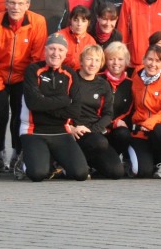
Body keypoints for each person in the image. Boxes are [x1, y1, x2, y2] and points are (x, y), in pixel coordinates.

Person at [0, 0, 48, 177]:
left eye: (20, 3)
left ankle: (18, 155)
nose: (15, 7)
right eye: (11, 2)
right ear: (6, 3)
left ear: (27, 4)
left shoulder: (38, 22)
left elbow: (37, 58)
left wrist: (28, 84)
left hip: (23, 78)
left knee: (20, 117)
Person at [19, 34, 89, 182]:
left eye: (60, 50)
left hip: (61, 131)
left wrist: (44, 104)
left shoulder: (70, 74)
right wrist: (64, 100)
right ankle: (26, 159)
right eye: (52, 48)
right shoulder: (33, 70)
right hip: (33, 131)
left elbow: (75, 111)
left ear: (65, 54)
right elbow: (33, 104)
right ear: (45, 51)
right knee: (37, 174)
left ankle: (52, 161)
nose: (55, 53)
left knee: (81, 174)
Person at [128, 45, 161, 179]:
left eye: (158, 61)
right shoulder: (135, 80)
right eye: (150, 59)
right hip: (139, 133)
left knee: (159, 129)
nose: (153, 64)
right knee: (142, 172)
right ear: (143, 60)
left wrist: (151, 122)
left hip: (159, 132)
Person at [73, 44, 124, 179]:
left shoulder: (103, 85)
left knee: (117, 173)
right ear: (81, 61)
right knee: (99, 142)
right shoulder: (71, 79)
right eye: (89, 59)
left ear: (101, 63)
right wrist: (71, 127)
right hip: (75, 132)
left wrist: (93, 129)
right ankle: (72, 163)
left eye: (97, 60)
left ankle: (89, 163)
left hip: (94, 132)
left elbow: (108, 114)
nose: (92, 63)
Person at [102, 41, 134, 162]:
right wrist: (111, 123)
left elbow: (129, 111)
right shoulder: (98, 79)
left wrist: (116, 124)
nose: (116, 63)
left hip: (118, 131)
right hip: (99, 127)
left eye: (120, 59)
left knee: (123, 134)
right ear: (106, 60)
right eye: (111, 59)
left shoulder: (130, 84)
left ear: (126, 61)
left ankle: (117, 156)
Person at [58, 5, 97, 71]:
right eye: (76, 20)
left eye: (83, 21)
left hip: (81, 76)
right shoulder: (59, 36)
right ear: (70, 21)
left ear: (88, 23)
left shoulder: (91, 41)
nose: (79, 24)